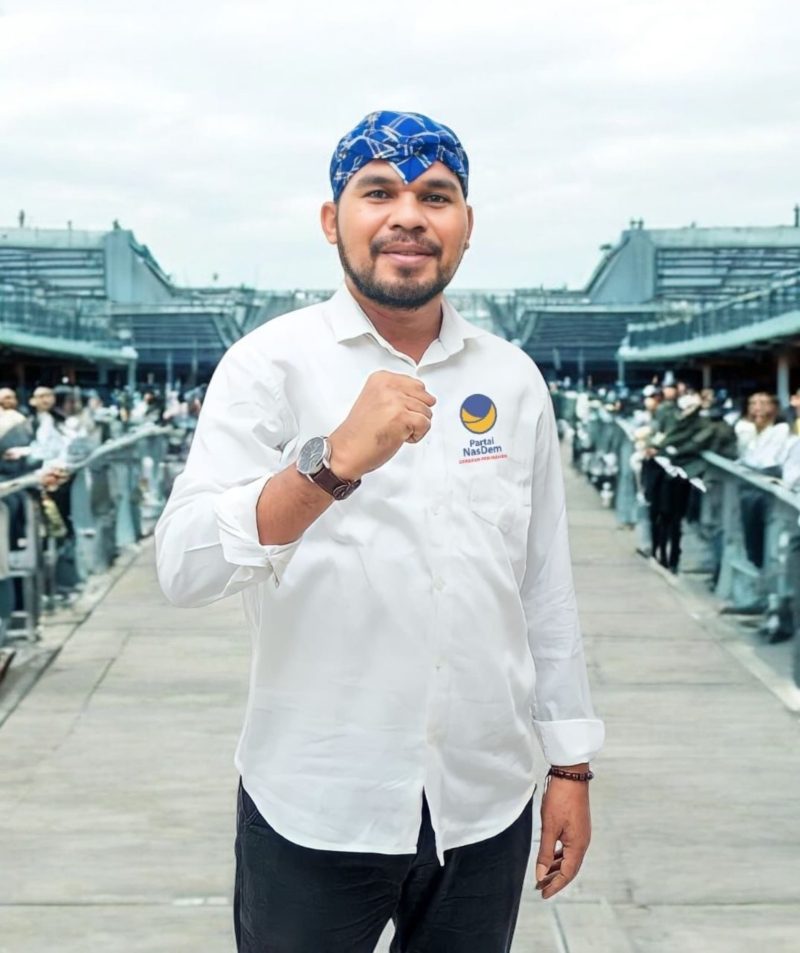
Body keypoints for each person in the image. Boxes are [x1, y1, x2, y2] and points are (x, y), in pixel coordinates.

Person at [155, 109, 604, 953]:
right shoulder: (270, 364)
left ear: (466, 224)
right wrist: (328, 467)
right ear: (333, 220)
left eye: (437, 195)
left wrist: (570, 764)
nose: (408, 215)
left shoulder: (512, 380)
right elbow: (184, 567)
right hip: (316, 799)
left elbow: (543, 588)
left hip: (484, 801)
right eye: (378, 192)